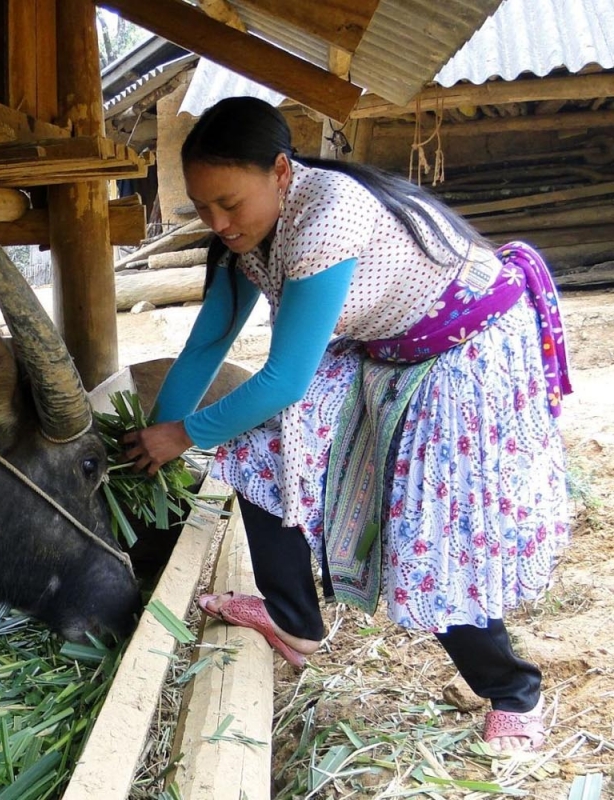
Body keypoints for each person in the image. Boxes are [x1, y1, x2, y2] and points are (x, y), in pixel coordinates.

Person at [121, 96, 572, 753]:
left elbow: (284, 381)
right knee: (257, 444)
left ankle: (513, 691)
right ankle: (292, 618)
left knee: (431, 530)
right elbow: (204, 348)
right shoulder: (250, 236)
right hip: (385, 346)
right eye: (202, 207)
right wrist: (152, 445)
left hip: (464, 347)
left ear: (279, 172)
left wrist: (182, 435)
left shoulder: (326, 217)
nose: (217, 222)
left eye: (229, 203)